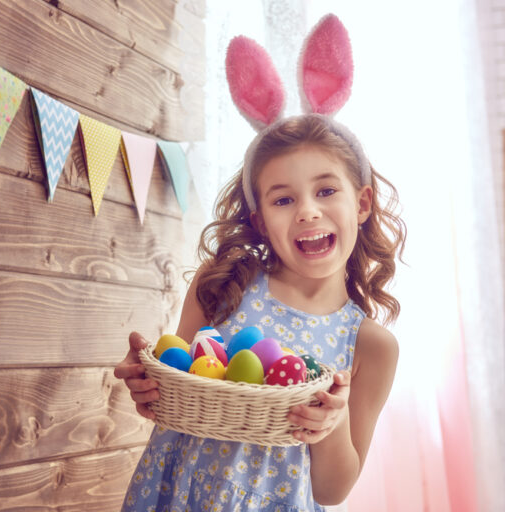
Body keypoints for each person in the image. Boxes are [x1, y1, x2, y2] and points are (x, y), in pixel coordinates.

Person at [114, 15, 406, 511]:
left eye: (326, 190)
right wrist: (150, 381)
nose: (308, 210)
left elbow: (333, 492)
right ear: (260, 218)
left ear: (361, 203)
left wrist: (328, 428)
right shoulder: (224, 286)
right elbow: (175, 402)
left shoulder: (371, 346)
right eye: (283, 199)